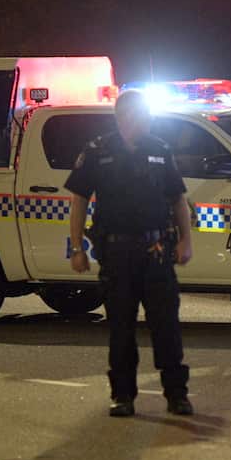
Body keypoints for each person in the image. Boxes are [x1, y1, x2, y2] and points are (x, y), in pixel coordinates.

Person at [65, 89, 195, 418]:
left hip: (156, 252)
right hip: (116, 253)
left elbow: (178, 199)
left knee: (166, 326)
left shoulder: (160, 149)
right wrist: (77, 248)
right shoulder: (97, 151)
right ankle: (122, 395)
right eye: (141, 115)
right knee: (121, 328)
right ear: (123, 117)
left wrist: (186, 241)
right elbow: (79, 201)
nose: (147, 120)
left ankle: (177, 395)